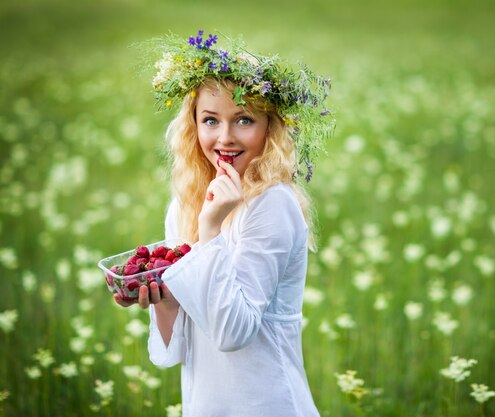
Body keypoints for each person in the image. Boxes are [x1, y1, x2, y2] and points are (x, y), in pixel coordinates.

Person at [113, 30, 334, 417]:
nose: (224, 138)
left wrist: (211, 230)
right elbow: (177, 349)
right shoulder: (187, 203)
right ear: (193, 125)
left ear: (270, 128)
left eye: (244, 120)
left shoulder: (272, 204)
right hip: (206, 402)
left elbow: (234, 333)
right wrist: (162, 301)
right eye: (211, 120)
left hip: (266, 402)